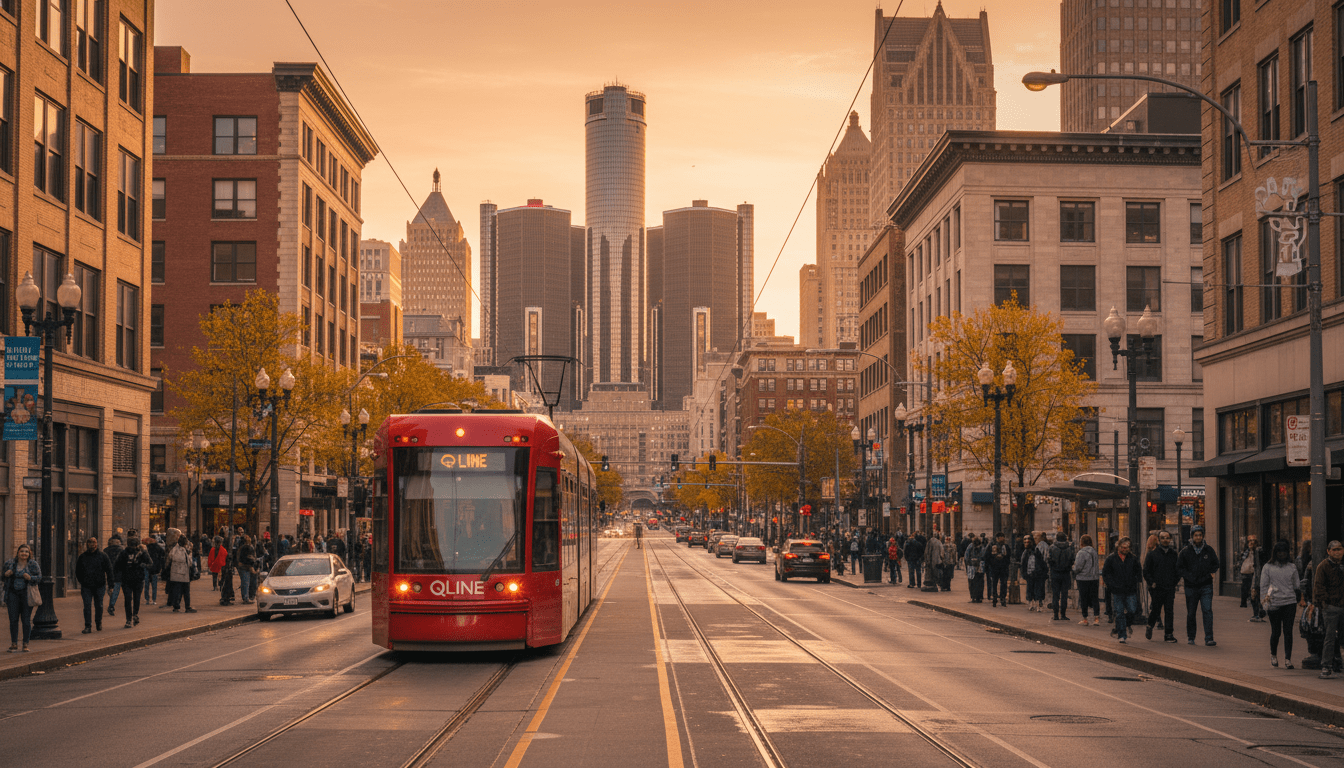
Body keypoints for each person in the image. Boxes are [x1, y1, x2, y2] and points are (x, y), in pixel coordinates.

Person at [1261, 540, 1303, 669]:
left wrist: (1299, 596)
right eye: (1279, 552)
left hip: (1289, 602)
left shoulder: (1292, 567)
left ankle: (1287, 659)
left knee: (1288, 631)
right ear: (1275, 553)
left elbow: (1297, 585)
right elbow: (1263, 586)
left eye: (1284, 552)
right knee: (1276, 631)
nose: (1282, 554)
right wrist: (1264, 603)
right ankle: (1273, 654)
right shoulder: (1267, 567)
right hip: (1274, 602)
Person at [1177, 524, 1221, 646]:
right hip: (1191, 586)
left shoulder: (1209, 550)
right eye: (1196, 535)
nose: (1198, 537)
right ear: (1192, 536)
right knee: (1191, 612)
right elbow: (1180, 568)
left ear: (1202, 536)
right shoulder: (1185, 551)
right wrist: (1188, 576)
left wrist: (1209, 574)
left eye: (1200, 535)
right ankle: (1191, 636)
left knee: (1207, 610)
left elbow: (1215, 564)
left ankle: (1209, 638)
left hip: (1206, 585)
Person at [1101, 536, 1142, 644]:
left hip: (1130, 590)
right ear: (1118, 547)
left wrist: (1137, 580)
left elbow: (1138, 572)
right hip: (1117, 590)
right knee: (1119, 612)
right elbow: (1106, 573)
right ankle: (1122, 634)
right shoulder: (1111, 559)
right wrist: (1111, 585)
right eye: (1123, 547)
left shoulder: (1133, 558)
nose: (1125, 549)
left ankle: (1126, 625)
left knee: (1132, 610)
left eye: (1127, 547)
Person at [1143, 530, 1180, 642]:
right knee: (1156, 609)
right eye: (1163, 538)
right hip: (1156, 587)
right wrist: (1151, 582)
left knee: (1169, 610)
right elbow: (1146, 571)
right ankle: (1150, 625)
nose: (1165, 540)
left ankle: (1169, 634)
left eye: (1167, 538)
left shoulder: (1173, 554)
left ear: (1170, 540)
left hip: (1169, 587)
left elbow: (1178, 570)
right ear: (1159, 540)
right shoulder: (1152, 554)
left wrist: (1174, 582)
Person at [1314, 540, 1344, 679]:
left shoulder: (1341, 566)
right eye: (1335, 550)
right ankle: (1326, 666)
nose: (1337, 552)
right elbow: (1319, 586)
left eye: (1339, 549)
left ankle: (1337, 662)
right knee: (1330, 637)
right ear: (1329, 551)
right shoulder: (1323, 566)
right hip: (1331, 607)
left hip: (1340, 605)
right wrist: (1325, 603)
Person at [4, 544, 40, 652]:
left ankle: (25, 644)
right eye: (22, 551)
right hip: (13, 594)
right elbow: (2, 576)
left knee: (26, 620)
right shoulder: (10, 563)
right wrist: (6, 574)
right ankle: (14, 643)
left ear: (29, 554)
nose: (24, 553)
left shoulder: (33, 564)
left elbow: (39, 577)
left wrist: (31, 577)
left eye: (26, 552)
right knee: (13, 620)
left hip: (27, 594)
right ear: (18, 552)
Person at [75, 536, 112, 634]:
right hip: (86, 586)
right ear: (87, 544)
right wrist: (82, 581)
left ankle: (98, 622)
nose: (92, 544)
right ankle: (88, 626)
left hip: (99, 585)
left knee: (99, 605)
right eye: (90, 542)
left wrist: (110, 585)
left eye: (94, 542)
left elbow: (109, 570)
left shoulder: (103, 556)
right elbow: (78, 571)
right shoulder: (82, 557)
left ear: (97, 544)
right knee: (87, 606)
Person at [115, 537, 151, 628]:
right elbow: (117, 565)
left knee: (136, 598)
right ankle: (128, 619)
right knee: (128, 599)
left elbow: (150, 563)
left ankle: (135, 614)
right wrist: (119, 576)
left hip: (138, 579)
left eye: (134, 545)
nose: (132, 547)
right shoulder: (123, 553)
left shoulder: (142, 553)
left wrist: (144, 565)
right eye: (131, 545)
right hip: (126, 579)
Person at [165, 529, 196, 614]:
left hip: (174, 574)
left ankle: (176, 607)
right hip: (184, 574)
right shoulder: (186, 551)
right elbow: (189, 563)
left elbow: (168, 560)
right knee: (186, 592)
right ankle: (187, 607)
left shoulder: (174, 549)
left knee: (176, 591)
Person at [1073, 534, 1101, 625]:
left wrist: (1073, 568)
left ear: (1081, 543)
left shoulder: (1081, 553)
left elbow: (1078, 567)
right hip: (1094, 578)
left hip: (1083, 578)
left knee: (1083, 598)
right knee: (1094, 598)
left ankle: (1085, 619)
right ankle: (1096, 618)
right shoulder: (1094, 552)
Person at [1239, 534, 1266, 622]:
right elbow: (1242, 561)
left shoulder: (1258, 551)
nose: (1251, 543)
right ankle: (1256, 613)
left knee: (1255, 594)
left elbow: (1259, 564)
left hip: (1255, 575)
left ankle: (1259, 613)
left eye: (1253, 541)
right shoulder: (1246, 552)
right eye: (1250, 541)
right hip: (1246, 574)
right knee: (1251, 595)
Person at [1048, 533, 1074, 621]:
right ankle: (1063, 614)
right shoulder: (1069, 548)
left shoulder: (1052, 547)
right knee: (1064, 595)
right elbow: (1072, 559)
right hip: (1066, 574)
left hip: (1055, 573)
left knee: (1055, 595)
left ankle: (1055, 614)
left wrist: (1053, 567)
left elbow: (1049, 559)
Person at [1022, 534, 1047, 612]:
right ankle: (1032, 603)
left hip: (1037, 574)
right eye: (1025, 542)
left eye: (1028, 542)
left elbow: (1042, 563)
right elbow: (1023, 564)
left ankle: (1038, 604)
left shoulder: (1036, 551)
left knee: (1037, 589)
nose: (1027, 544)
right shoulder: (1025, 553)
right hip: (1031, 574)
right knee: (1031, 589)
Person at [104, 534, 124, 617]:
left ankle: (110, 593)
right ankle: (111, 605)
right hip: (118, 572)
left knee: (110, 586)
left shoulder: (105, 550)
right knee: (116, 588)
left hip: (109, 572)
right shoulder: (122, 550)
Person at [144, 534, 165, 607]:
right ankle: (154, 600)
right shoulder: (158, 548)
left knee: (147, 585)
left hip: (147, 568)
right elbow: (163, 555)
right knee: (154, 585)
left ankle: (147, 599)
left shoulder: (146, 548)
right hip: (155, 568)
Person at [236, 535, 257, 603]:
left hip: (243, 566)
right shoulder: (247, 547)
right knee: (246, 582)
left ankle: (246, 597)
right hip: (245, 567)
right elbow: (248, 558)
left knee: (245, 582)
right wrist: (251, 566)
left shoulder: (243, 547)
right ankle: (246, 598)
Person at [965, 535, 985, 603]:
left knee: (972, 582)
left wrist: (968, 563)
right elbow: (983, 557)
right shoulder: (982, 547)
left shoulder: (970, 546)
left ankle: (974, 597)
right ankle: (978, 597)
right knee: (979, 582)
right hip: (979, 567)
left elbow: (966, 557)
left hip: (971, 567)